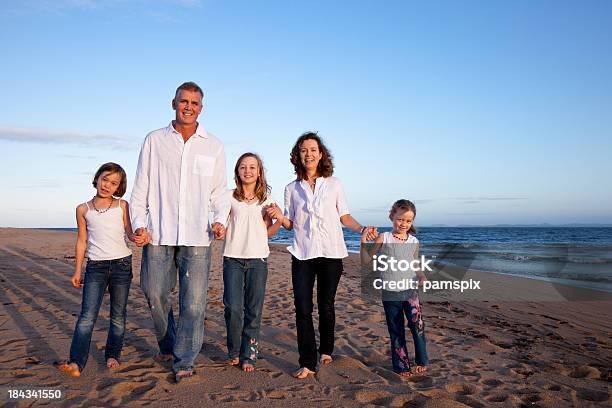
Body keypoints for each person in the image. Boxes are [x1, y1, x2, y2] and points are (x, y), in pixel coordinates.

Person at [130, 81, 230, 383]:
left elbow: (220, 192)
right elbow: (141, 188)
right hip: (158, 234)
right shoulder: (154, 140)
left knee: (194, 304)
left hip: (198, 236)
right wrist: (139, 224)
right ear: (173, 103)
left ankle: (184, 359)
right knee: (154, 293)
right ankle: (169, 343)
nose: (188, 107)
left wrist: (219, 219)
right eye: (183, 101)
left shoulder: (213, 144)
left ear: (202, 108)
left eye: (194, 103)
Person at [267, 132, 377, 379]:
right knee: (302, 308)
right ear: (298, 155)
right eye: (304, 150)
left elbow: (344, 215)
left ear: (321, 154)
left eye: (313, 149)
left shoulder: (335, 184)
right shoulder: (291, 188)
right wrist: (279, 215)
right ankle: (307, 361)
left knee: (326, 306)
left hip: (331, 253)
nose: (309, 154)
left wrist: (362, 229)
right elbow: (290, 223)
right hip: (302, 253)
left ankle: (326, 349)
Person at [56, 162, 145, 377]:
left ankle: (113, 354)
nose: (107, 185)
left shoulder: (122, 205)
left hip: (122, 264)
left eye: (114, 183)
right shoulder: (83, 209)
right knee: (87, 316)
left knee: (117, 315)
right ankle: (76, 362)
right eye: (105, 179)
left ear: (118, 187)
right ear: (97, 178)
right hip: (95, 266)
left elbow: (129, 233)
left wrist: (138, 237)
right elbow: (81, 241)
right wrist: (77, 271)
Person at [222, 152, 281, 372]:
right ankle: (234, 350)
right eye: (243, 167)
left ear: (259, 172)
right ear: (237, 171)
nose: (248, 171)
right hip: (232, 258)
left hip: (258, 259)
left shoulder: (267, 200)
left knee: (254, 310)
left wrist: (278, 217)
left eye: (252, 167)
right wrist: (218, 230)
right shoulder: (228, 196)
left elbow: (269, 232)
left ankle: (250, 355)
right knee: (233, 308)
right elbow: (222, 223)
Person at [360, 199, 428, 377]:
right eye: (400, 219)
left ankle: (422, 360)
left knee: (417, 326)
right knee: (396, 330)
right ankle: (402, 366)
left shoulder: (414, 241)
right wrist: (362, 243)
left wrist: (421, 275)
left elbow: (415, 263)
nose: (404, 224)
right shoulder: (384, 238)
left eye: (408, 221)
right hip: (390, 293)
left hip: (411, 291)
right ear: (392, 217)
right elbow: (366, 260)